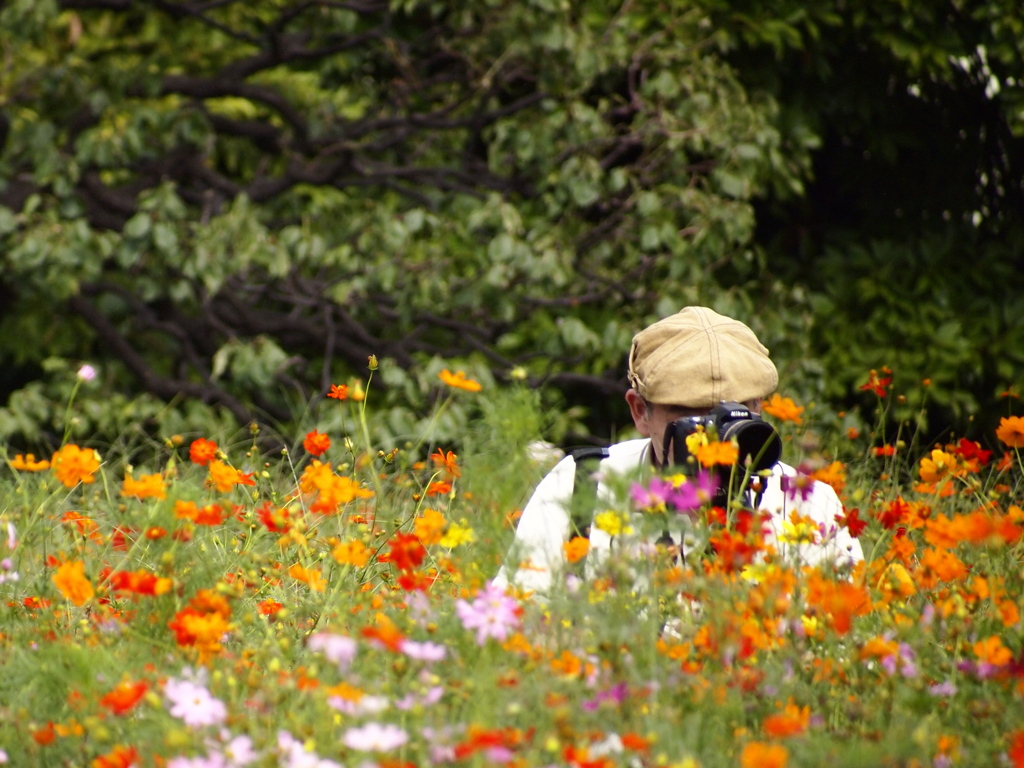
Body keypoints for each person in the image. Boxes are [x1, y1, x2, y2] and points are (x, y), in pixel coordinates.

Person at [494, 306, 864, 594]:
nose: (716, 441)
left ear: (759, 408)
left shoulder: (809, 504)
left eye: (734, 416)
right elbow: (516, 621)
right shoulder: (582, 485)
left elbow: (846, 650)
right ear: (641, 412)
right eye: (693, 418)